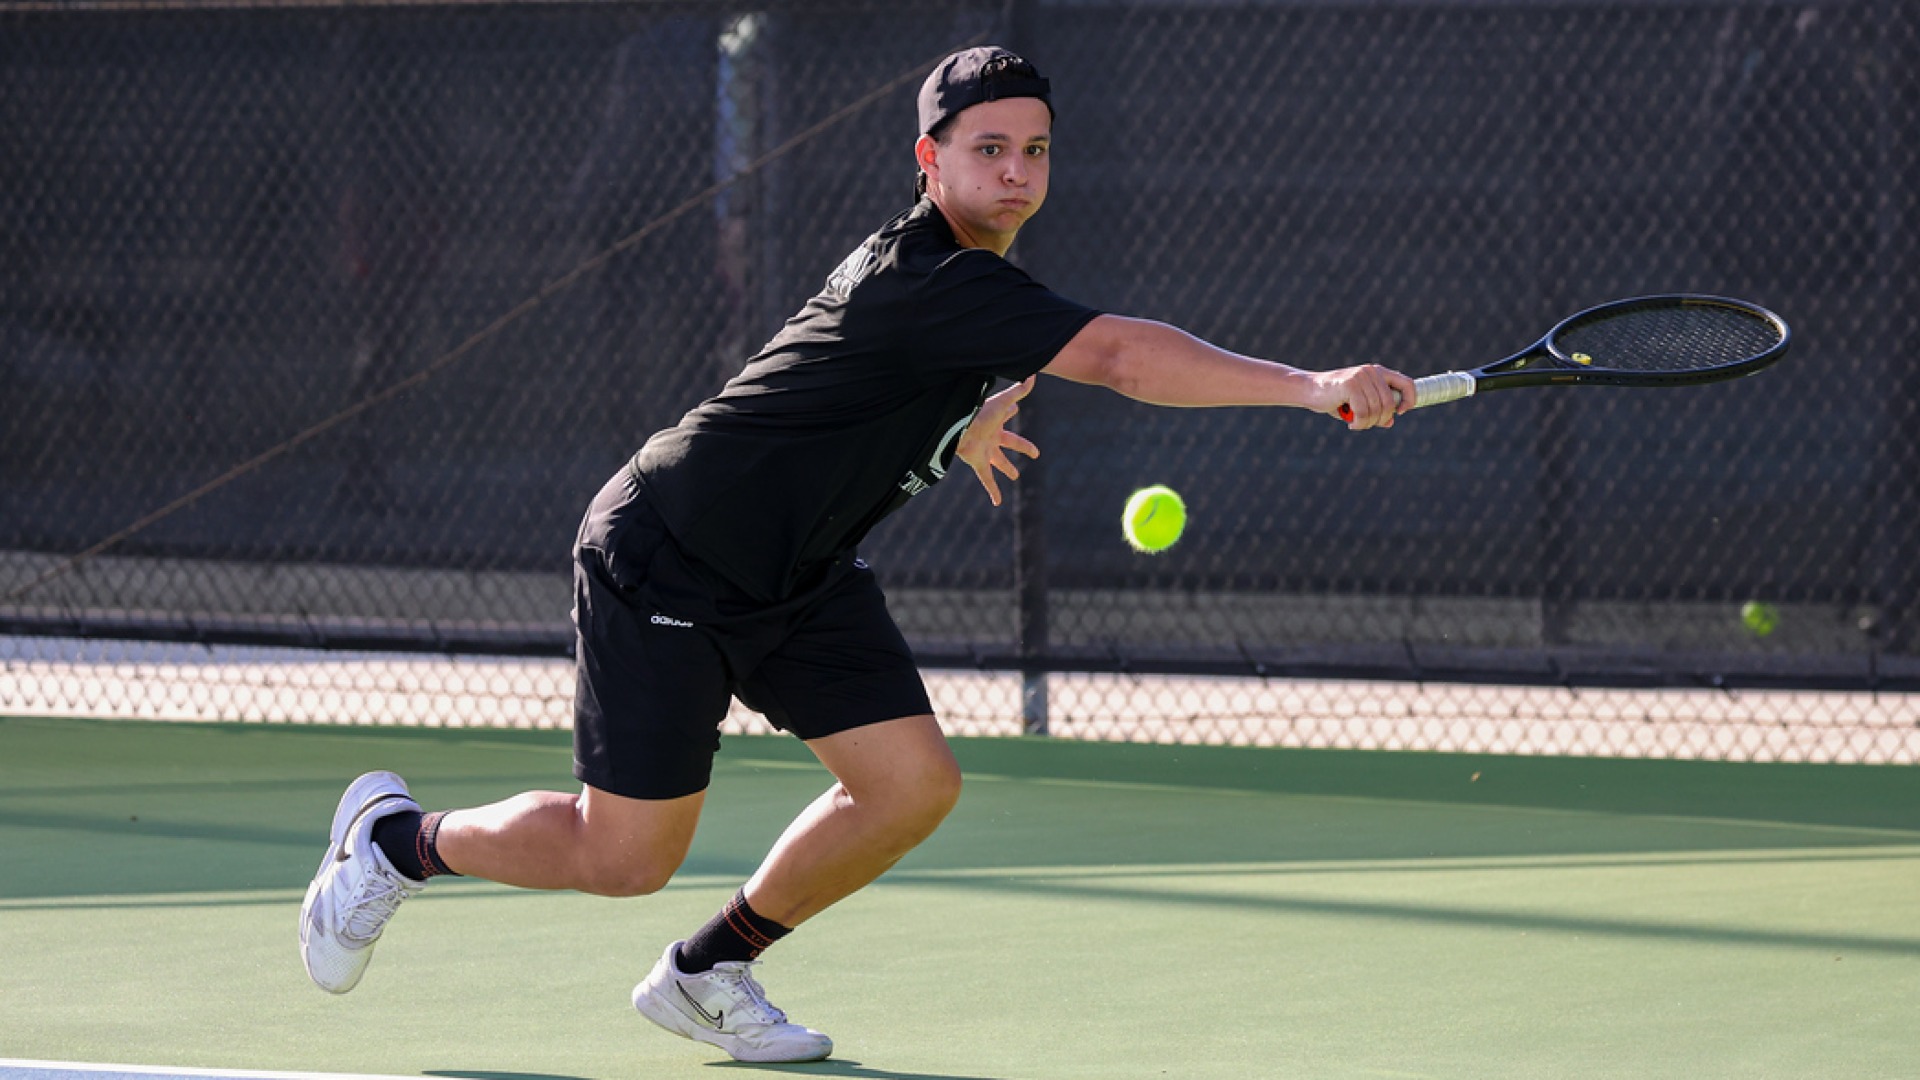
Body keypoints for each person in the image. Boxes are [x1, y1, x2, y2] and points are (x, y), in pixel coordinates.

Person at [299, 45, 1415, 1065]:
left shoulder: (963, 284)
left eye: (1034, 151)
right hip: (669, 557)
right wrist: (1312, 388)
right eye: (989, 151)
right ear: (931, 160)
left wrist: (949, 425)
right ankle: (395, 842)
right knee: (623, 857)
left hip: (801, 572)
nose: (1017, 173)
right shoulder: (934, 279)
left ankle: (707, 970)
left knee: (911, 785)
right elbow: (1122, 357)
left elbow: (879, 382)